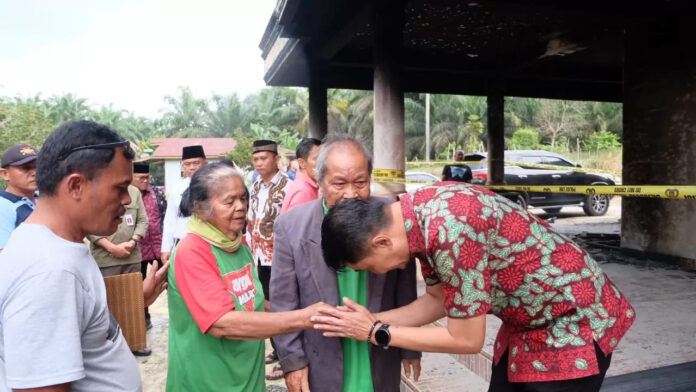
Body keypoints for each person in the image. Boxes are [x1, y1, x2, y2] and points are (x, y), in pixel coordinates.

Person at [315, 183, 636, 392]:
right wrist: (367, 321)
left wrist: (378, 332)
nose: (380, 272)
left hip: (571, 324)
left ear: (381, 241)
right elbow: (438, 301)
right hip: (528, 325)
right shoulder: (417, 215)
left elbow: (466, 338)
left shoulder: (450, 231)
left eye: (371, 267)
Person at [0, 120, 168, 391]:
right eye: (119, 188)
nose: (127, 200)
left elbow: (81, 333)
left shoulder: (60, 247)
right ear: (76, 186)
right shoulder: (48, 272)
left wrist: (137, 301)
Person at [271, 134, 421, 392]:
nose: (351, 194)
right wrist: (292, 361)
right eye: (339, 183)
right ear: (319, 181)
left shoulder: (393, 215)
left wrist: (410, 347)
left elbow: (404, 288)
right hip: (321, 358)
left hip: (378, 352)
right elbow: (284, 303)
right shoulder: (291, 226)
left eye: (361, 182)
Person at [166, 162, 323, 392]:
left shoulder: (237, 245)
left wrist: (299, 311)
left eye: (242, 198)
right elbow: (222, 323)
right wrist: (303, 318)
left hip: (246, 377)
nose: (240, 207)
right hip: (208, 382)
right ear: (200, 208)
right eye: (229, 202)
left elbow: (251, 302)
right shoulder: (193, 251)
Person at [247, 139, 292, 379]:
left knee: (282, 305)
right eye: (256, 159)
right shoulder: (254, 186)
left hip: (281, 256)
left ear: (276, 159)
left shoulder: (288, 185)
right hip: (259, 256)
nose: (259, 163)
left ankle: (288, 357)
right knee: (267, 304)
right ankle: (277, 349)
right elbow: (250, 219)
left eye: (264, 158)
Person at [132, 161, 167, 330]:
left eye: (147, 178)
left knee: (169, 281)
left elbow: (165, 217)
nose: (145, 181)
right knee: (139, 286)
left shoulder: (157, 193)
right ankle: (143, 318)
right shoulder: (127, 196)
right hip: (137, 249)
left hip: (159, 247)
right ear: (131, 178)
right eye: (141, 178)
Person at [161, 145, 207, 263]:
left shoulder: (214, 185)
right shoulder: (177, 187)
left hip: (207, 242)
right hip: (182, 242)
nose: (191, 167)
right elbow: (170, 219)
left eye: (196, 163)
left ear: (205, 163)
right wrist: (166, 248)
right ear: (183, 166)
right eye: (187, 164)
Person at [0, 144, 38, 253]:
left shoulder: (46, 197)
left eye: (38, 167)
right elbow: (3, 257)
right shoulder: (3, 207)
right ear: (5, 174)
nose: (34, 173)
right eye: (26, 168)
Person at [280, 138, 321, 213]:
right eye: (317, 158)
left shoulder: (305, 186)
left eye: (323, 158)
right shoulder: (303, 192)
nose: (323, 163)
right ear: (302, 163)